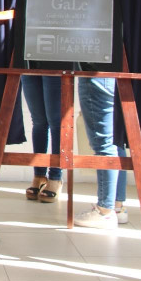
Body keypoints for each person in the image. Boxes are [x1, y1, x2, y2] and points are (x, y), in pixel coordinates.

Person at [73, 77, 128, 229]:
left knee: (103, 144)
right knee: (115, 141)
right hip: (112, 76)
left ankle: (105, 211)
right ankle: (117, 207)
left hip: (96, 75)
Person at [22, 76, 63, 203]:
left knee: (56, 123)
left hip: (54, 61)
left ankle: (55, 178)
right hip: (29, 63)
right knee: (38, 122)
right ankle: (39, 176)